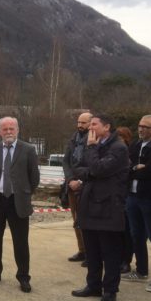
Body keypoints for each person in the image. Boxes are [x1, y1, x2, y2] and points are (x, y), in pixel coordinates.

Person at [71, 113, 129, 301]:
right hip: (89, 205)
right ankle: (93, 285)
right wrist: (92, 172)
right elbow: (78, 168)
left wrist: (92, 153)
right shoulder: (94, 146)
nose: (90, 128)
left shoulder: (118, 148)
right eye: (90, 125)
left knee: (110, 253)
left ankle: (110, 290)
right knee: (92, 251)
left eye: (94, 124)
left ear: (107, 127)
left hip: (108, 208)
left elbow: (99, 169)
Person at [0, 116, 39, 293]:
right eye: (5, 129)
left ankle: (23, 277)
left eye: (11, 129)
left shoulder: (28, 149)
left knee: (20, 242)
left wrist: (24, 192)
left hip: (18, 201)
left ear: (17, 130)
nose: (8, 132)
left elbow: (34, 177)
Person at [122, 114, 151, 292]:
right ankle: (141, 270)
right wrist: (137, 168)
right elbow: (127, 167)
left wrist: (137, 169)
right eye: (140, 126)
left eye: (146, 127)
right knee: (136, 234)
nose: (141, 129)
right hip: (132, 196)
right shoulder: (135, 145)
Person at [63, 112, 92, 266]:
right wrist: (70, 180)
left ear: (91, 123)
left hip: (86, 186)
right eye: (79, 122)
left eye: (83, 123)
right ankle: (82, 250)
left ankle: (91, 253)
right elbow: (66, 161)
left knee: (86, 221)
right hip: (71, 185)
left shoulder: (94, 140)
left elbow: (92, 164)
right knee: (76, 220)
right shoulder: (73, 139)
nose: (80, 125)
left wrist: (80, 181)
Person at [116, 126, 135, 274]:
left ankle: (126, 260)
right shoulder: (113, 152)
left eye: (121, 137)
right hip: (115, 196)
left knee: (127, 232)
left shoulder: (130, 153)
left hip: (126, 195)